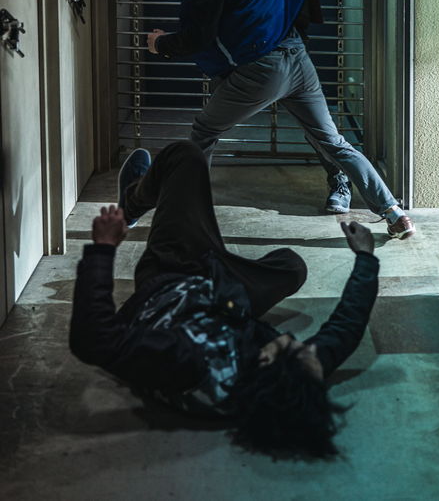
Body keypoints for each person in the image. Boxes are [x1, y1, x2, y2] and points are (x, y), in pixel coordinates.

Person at [69, 140, 380, 457]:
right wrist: (366, 257)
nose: (297, 341)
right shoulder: (285, 382)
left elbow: (94, 340)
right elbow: (346, 328)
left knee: (186, 157)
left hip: (173, 276)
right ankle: (217, 254)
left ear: (264, 360)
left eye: (293, 347)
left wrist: (102, 249)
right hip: (225, 301)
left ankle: (131, 204)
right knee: (292, 267)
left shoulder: (187, 360)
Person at [147, 0, 415, 238]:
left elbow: (199, 36)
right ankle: (394, 213)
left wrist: (160, 44)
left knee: (203, 133)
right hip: (296, 55)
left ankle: (183, 217)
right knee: (334, 142)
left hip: (261, 70)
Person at [217, 0, 352, 214]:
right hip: (245, 35)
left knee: (315, 122)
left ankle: (339, 179)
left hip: (288, 36)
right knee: (212, 119)